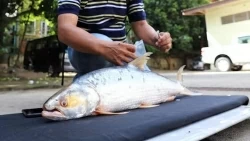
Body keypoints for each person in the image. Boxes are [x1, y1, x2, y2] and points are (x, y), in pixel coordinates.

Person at [57, 0, 172, 81]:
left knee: (147, 83)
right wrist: (105, 47)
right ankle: (84, 88)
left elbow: (141, 25)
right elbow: (65, 30)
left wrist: (157, 39)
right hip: (86, 51)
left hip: (120, 52)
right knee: (101, 43)